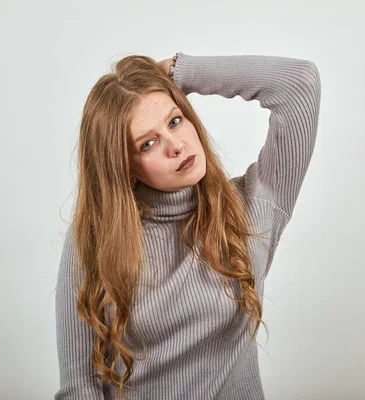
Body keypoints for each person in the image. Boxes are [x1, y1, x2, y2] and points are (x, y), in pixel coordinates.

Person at [54, 52, 321, 400]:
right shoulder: (96, 237)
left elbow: (299, 84)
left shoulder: (251, 207)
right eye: (148, 143)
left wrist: (181, 73)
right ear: (125, 167)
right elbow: (79, 386)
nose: (176, 146)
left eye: (175, 120)